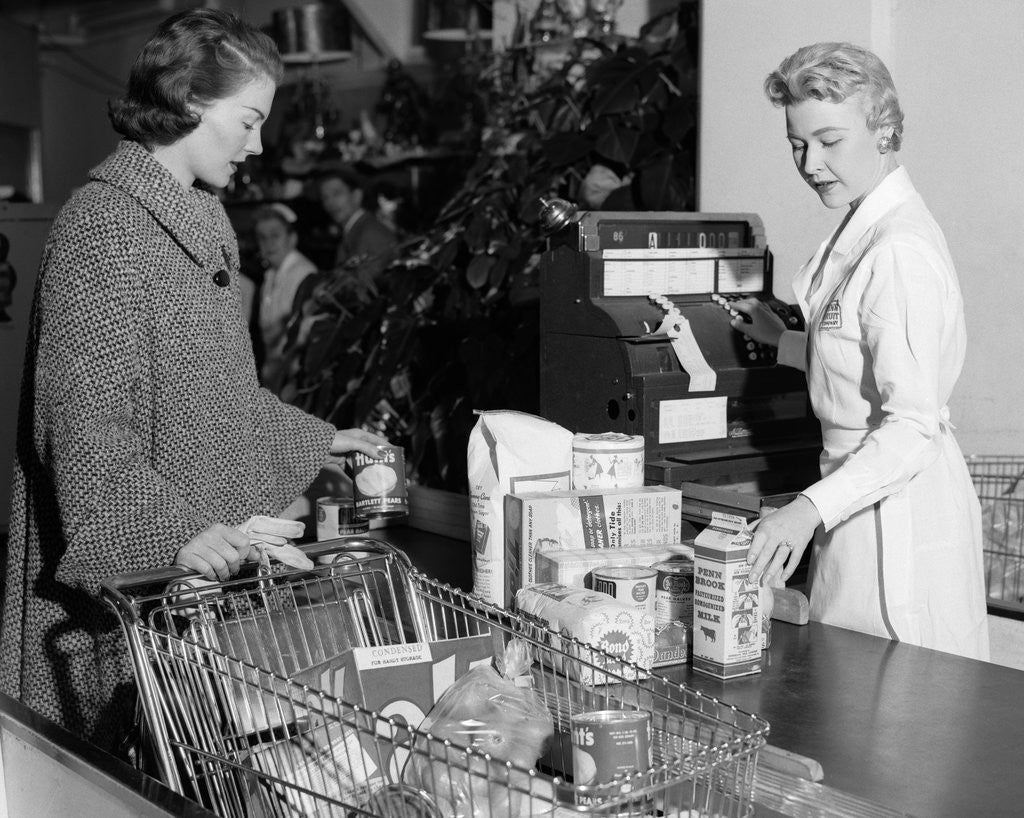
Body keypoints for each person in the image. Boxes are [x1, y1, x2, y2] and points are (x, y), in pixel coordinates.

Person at [0, 8, 387, 755]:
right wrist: (176, 532)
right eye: (248, 119)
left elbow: (219, 401)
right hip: (107, 621)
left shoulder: (195, 220)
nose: (260, 143)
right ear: (185, 102)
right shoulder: (105, 227)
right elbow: (82, 433)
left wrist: (321, 438)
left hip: (174, 607)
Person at [730, 42, 988, 661]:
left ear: (885, 130)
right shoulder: (862, 226)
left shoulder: (899, 250)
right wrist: (780, 340)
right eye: (797, 143)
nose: (811, 162)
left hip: (897, 509)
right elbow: (854, 358)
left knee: (896, 709)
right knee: (851, 696)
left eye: (829, 140)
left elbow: (913, 426)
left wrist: (804, 512)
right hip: (852, 493)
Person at [252, 202, 319, 392]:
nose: (268, 243)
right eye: (262, 237)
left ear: (292, 238)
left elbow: (303, 333)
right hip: (275, 374)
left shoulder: (303, 273)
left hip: (294, 378)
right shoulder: (272, 274)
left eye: (275, 235)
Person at [316, 163, 398, 289]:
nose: (330, 203)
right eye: (325, 197)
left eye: (336, 194)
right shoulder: (354, 231)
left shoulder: (370, 232)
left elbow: (365, 287)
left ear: (356, 195)